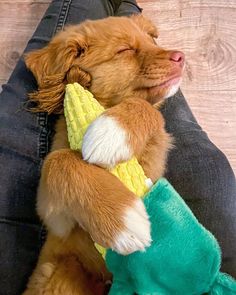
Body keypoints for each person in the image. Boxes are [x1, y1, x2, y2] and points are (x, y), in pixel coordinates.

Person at [0, 0, 235, 294]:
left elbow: (55, 218)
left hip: (73, 266)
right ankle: (127, 9)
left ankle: (121, 12)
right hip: (190, 272)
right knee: (209, 168)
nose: (175, 56)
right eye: (127, 51)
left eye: (149, 42)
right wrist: (143, 114)